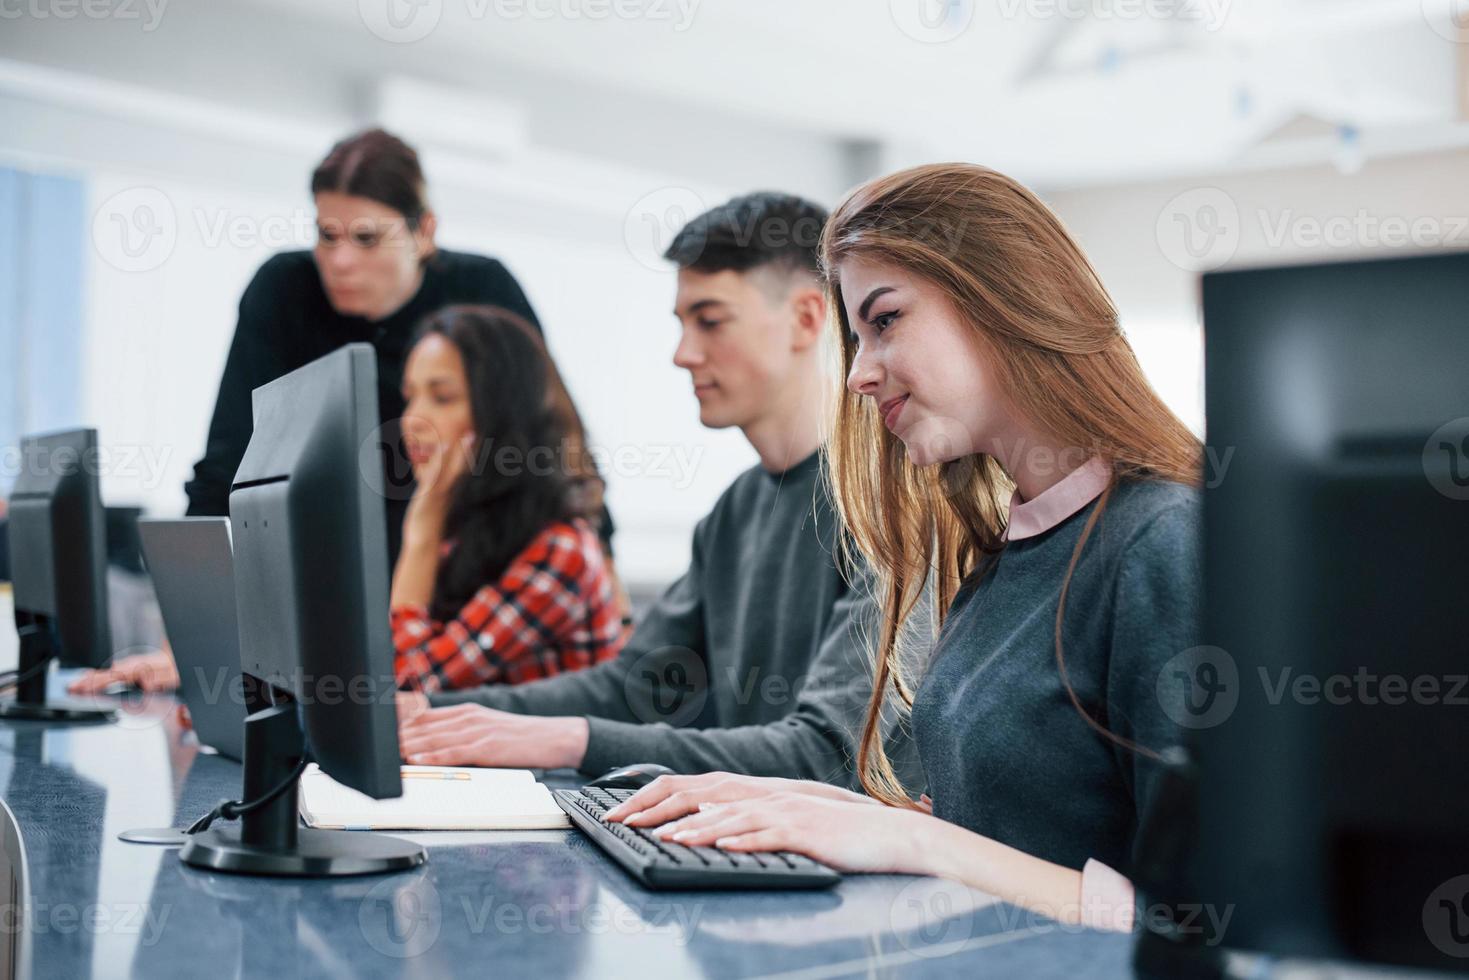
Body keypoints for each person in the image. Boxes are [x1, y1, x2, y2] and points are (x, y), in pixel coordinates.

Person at [601, 163, 1203, 932]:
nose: (857, 374)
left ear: (1001, 298)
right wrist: (802, 803)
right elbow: (1001, 836)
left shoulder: (1161, 542)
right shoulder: (1002, 553)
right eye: (855, 337)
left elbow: (1197, 922)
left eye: (884, 321)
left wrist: (913, 839)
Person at [396, 192, 921, 788]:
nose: (683, 354)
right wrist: (433, 716)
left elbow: (825, 756)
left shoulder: (894, 502)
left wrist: (569, 738)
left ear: (806, 318)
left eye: (711, 321)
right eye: (682, 324)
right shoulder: (736, 510)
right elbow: (634, 687)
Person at [70, 127, 609, 694]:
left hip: (460, 566)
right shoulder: (284, 290)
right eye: (326, 236)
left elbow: (556, 437)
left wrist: (604, 589)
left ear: (423, 232)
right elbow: (228, 464)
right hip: (343, 580)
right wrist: (186, 648)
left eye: (367, 239)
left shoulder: (482, 292)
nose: (341, 261)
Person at [391, 305, 625, 691]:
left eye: (442, 397)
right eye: (410, 397)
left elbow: (410, 689)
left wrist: (422, 534)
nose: (412, 420)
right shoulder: (471, 531)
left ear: (501, 414)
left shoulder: (560, 550)